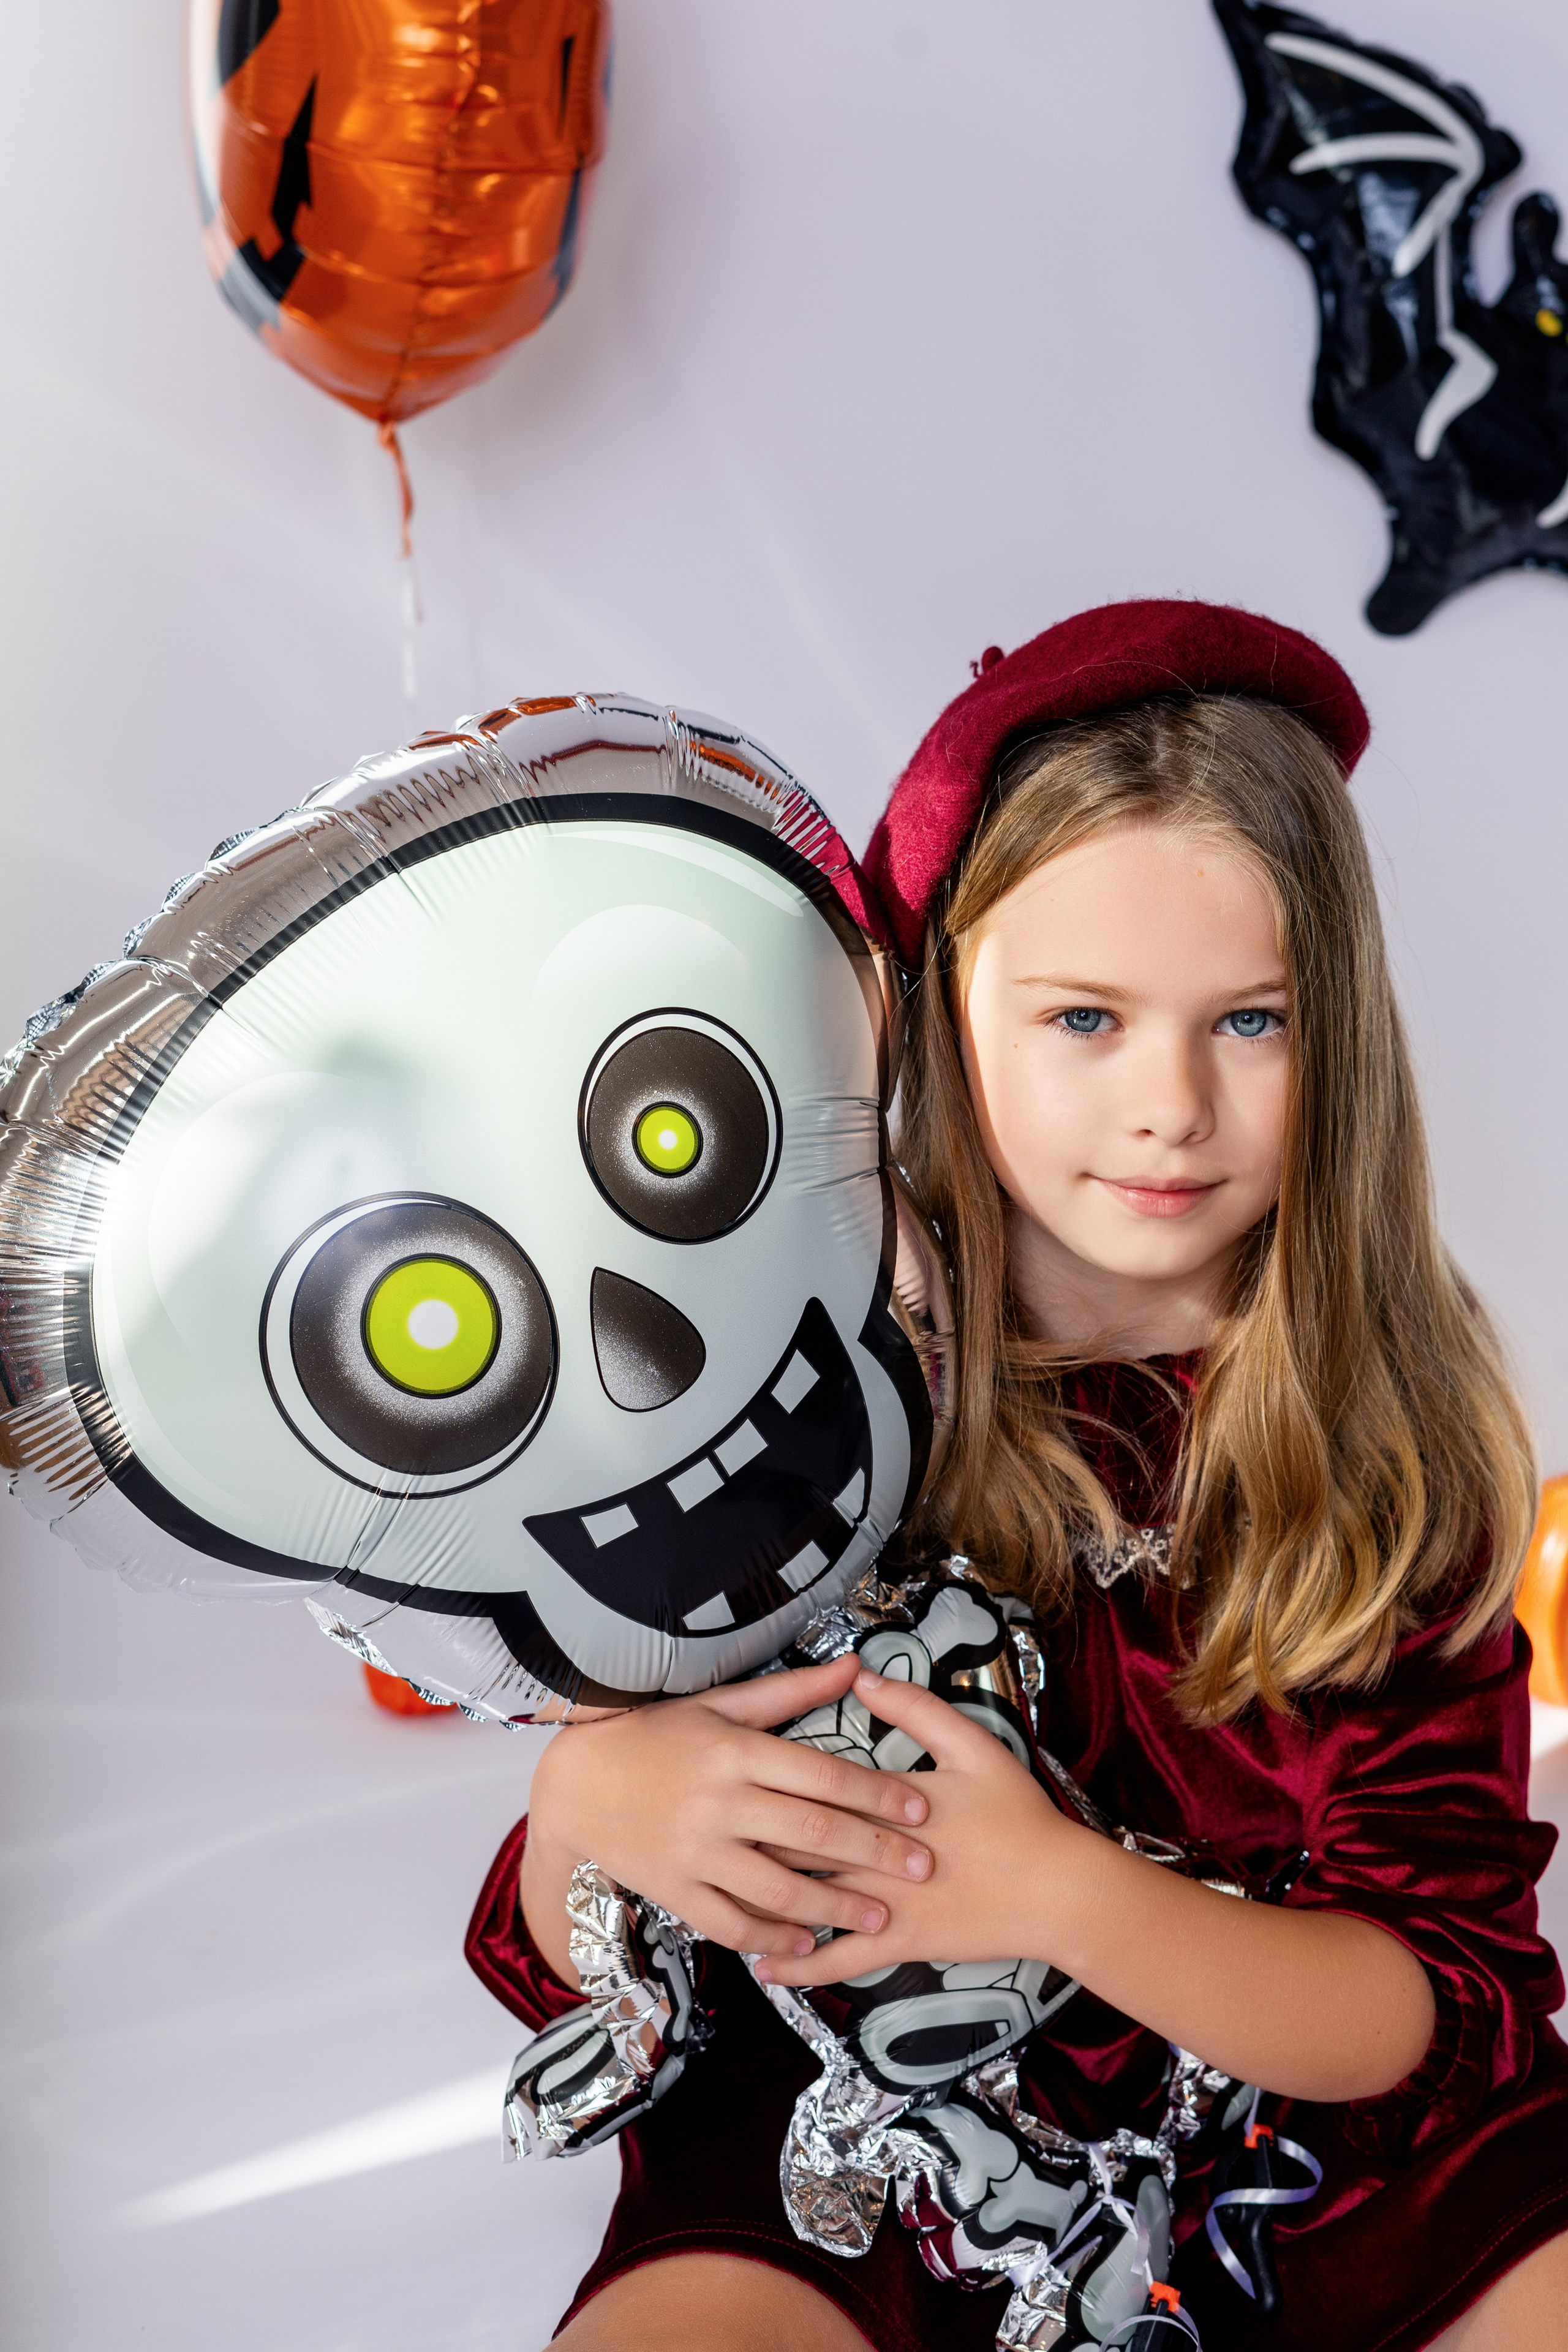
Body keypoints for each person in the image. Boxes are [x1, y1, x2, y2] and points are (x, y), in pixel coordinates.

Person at [465, 600, 1568, 2350]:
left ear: (1339, 1033)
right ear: (928, 1008)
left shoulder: (1386, 1437)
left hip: (1296, 2148)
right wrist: (593, 1817)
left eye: (1253, 1022)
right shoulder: (779, 1396)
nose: (1171, 1106)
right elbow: (592, 1945)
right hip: (854, 2159)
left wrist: (1061, 1892)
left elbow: (1439, 2004)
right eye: (1083, 1019)